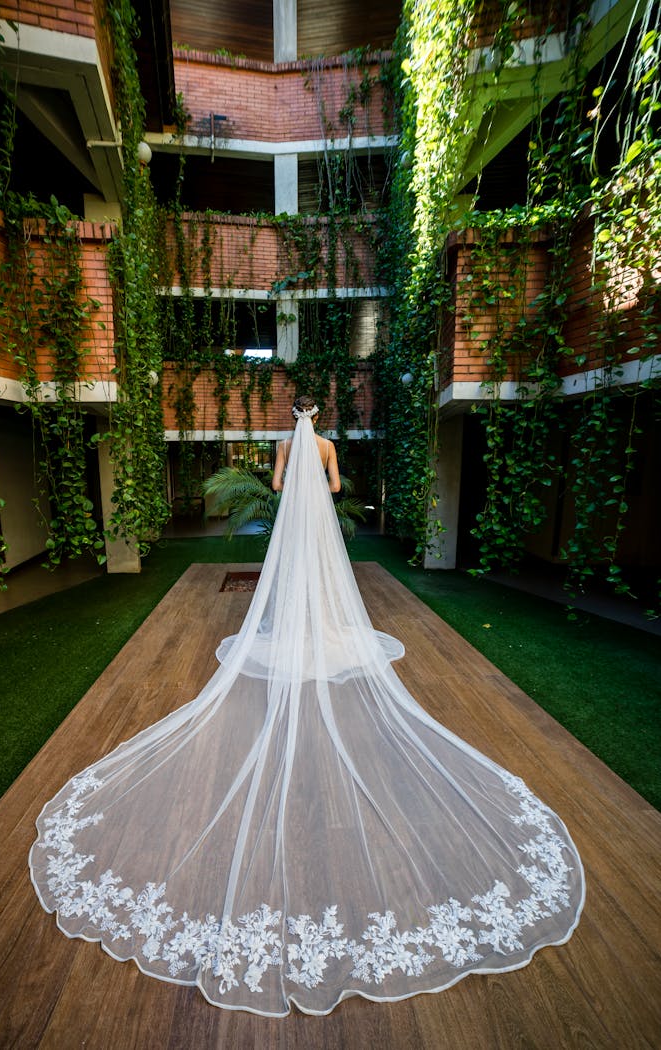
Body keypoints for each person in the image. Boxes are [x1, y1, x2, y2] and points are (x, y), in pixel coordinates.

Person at [30, 396, 584, 1018]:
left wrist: (289, 482)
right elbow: (338, 486)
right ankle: (322, 625)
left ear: (290, 417)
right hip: (318, 518)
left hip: (294, 522)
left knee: (290, 575)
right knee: (324, 578)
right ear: (319, 417)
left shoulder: (285, 448)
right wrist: (323, 480)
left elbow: (272, 486)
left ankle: (294, 625)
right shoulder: (323, 448)